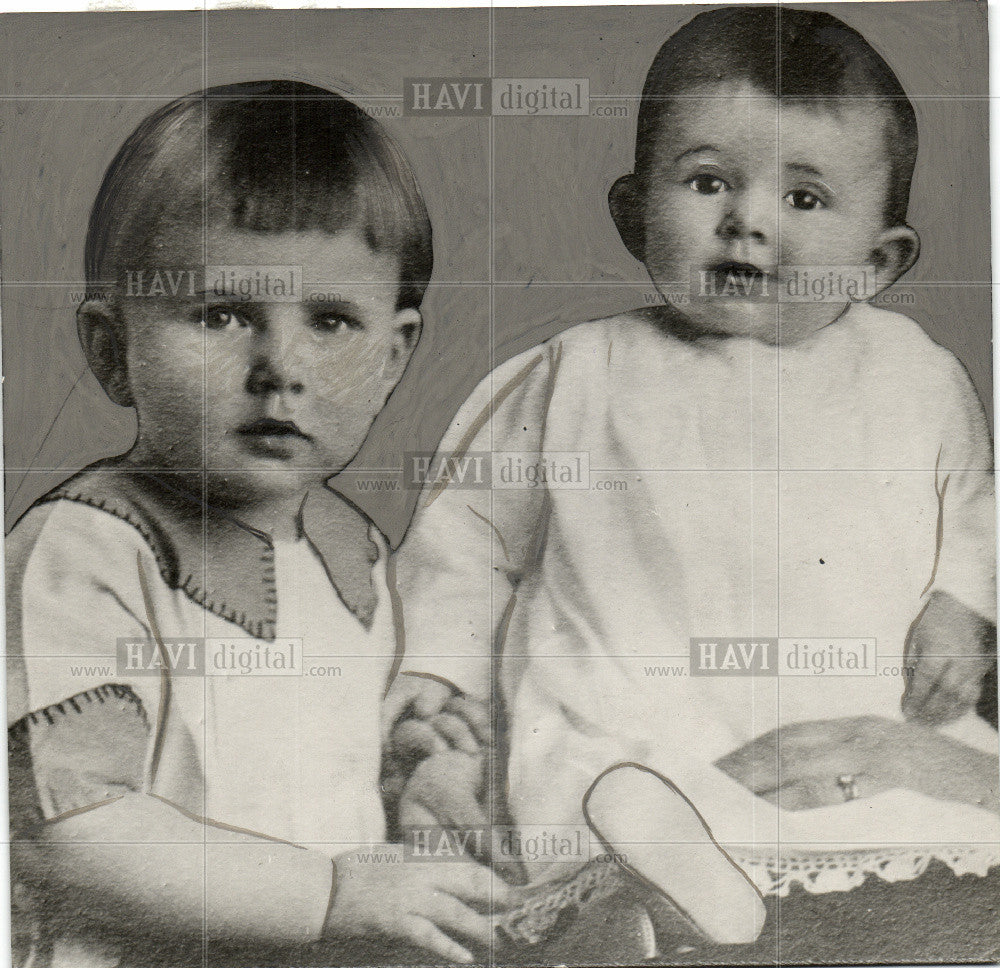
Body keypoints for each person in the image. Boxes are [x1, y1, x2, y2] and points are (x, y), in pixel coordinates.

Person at [392, 7, 1000, 960]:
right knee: (618, 801)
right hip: (629, 718)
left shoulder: (918, 374)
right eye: (709, 181)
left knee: (899, 829)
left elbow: (976, 503)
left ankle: (714, 900)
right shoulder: (578, 371)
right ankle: (662, 889)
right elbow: (468, 534)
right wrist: (437, 674)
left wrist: (963, 601)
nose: (747, 220)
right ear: (634, 214)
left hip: (846, 715)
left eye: (804, 199)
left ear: (879, 262)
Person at [6, 80, 512, 968]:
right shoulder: (84, 552)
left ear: (394, 357)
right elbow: (66, 830)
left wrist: (408, 777)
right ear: (110, 348)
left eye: (331, 321)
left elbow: (316, 781)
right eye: (221, 314)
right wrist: (329, 894)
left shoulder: (357, 552)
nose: (280, 367)